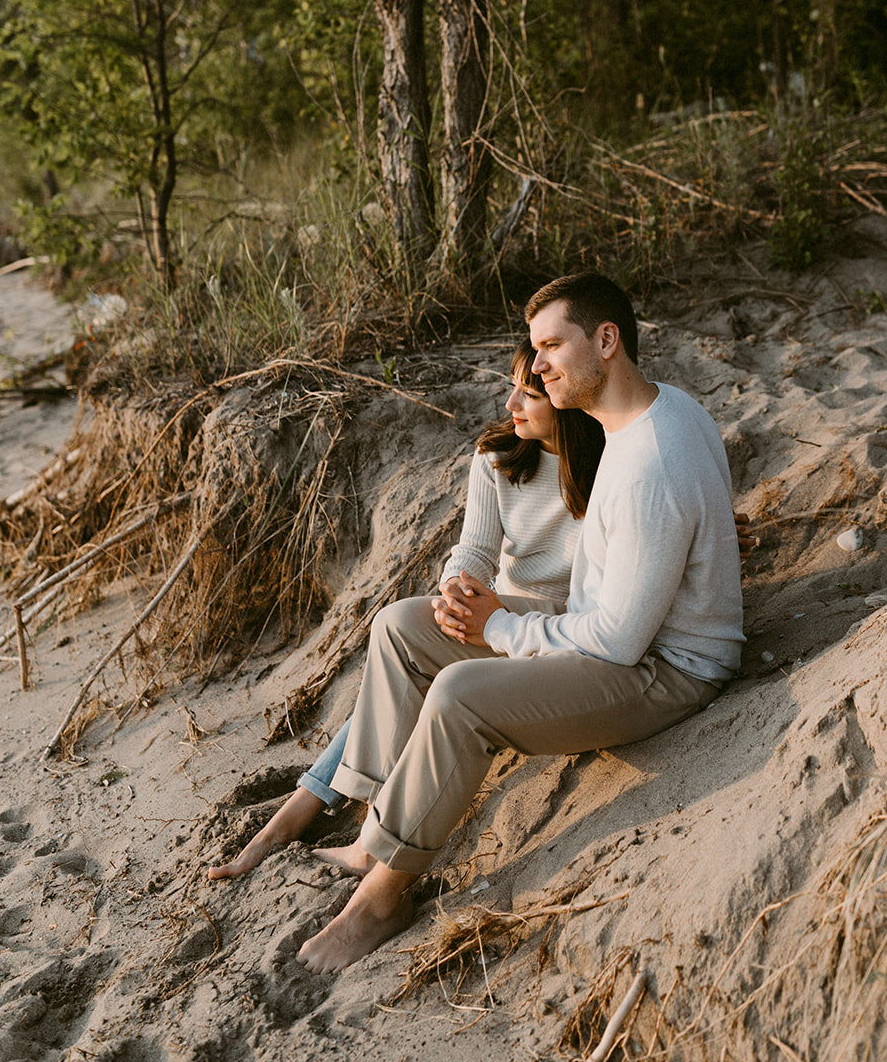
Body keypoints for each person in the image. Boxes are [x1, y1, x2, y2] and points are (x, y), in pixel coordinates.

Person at [295, 271, 745, 975]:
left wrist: (499, 626)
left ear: (606, 341)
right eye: (533, 351)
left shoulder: (651, 462)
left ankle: (381, 900)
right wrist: (488, 614)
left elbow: (619, 642)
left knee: (460, 696)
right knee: (405, 624)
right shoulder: (650, 414)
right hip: (603, 630)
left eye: (548, 347)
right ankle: (375, 828)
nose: (534, 367)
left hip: (668, 669)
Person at [206, 337, 604, 881]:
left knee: (398, 685)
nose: (510, 405)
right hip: (499, 616)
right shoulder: (497, 457)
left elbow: (656, 527)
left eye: (528, 394)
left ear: (567, 399)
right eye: (511, 388)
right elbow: (475, 548)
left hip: (561, 632)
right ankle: (330, 815)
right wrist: (457, 587)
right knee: (401, 656)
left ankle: (303, 814)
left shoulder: (615, 466)